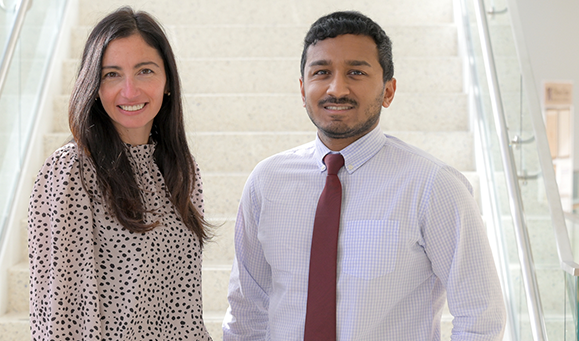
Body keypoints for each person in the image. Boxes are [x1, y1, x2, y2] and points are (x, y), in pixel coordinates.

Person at [223, 10, 506, 340]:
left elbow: (480, 316)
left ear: (388, 91)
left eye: (356, 72)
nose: (336, 88)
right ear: (302, 90)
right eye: (321, 72)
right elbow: (246, 310)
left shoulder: (433, 186)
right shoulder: (266, 182)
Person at [28, 7, 213, 340]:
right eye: (112, 74)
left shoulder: (182, 169)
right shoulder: (71, 171)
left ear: (167, 80)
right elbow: (56, 315)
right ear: (94, 85)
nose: (129, 91)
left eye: (144, 71)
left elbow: (185, 309)